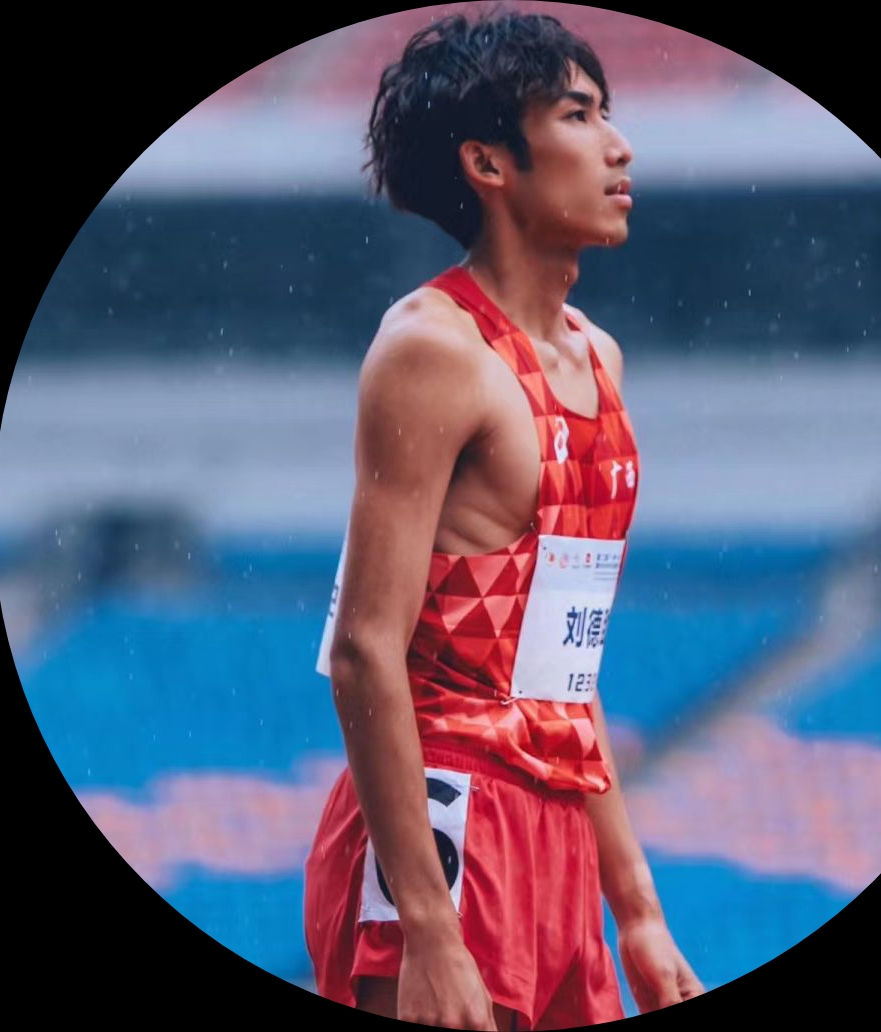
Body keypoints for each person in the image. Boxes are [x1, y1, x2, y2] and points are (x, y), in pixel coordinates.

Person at [305, 9, 705, 1028]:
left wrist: (637, 911)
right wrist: (429, 929)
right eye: (578, 115)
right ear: (488, 163)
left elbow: (564, 667)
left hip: (556, 825)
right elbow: (363, 649)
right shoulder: (431, 350)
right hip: (446, 811)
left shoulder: (599, 358)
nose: (619, 146)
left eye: (607, 113)